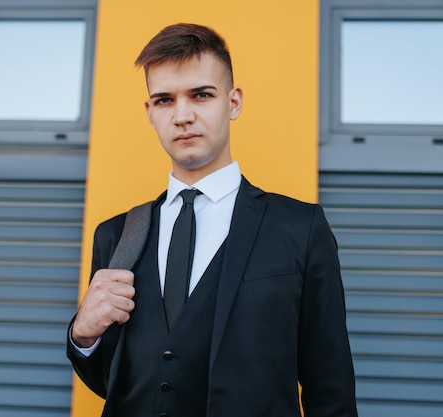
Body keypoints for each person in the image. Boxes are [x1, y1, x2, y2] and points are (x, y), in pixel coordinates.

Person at [67, 23, 358, 417]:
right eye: (165, 100)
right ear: (150, 113)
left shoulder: (300, 228)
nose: (183, 115)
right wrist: (83, 333)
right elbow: (113, 383)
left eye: (201, 95)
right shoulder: (117, 236)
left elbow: (331, 389)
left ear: (233, 102)